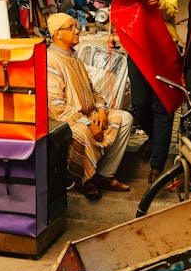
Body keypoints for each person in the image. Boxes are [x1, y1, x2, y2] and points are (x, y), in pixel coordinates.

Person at [46, 13, 133, 201]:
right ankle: (85, 181)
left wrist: (101, 109)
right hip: (68, 119)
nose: (77, 31)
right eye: (70, 28)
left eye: (75, 26)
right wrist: (88, 123)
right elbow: (56, 107)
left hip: (89, 113)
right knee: (82, 133)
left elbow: (92, 90)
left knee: (125, 118)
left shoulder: (74, 56)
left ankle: (104, 174)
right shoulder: (51, 60)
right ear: (57, 34)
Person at [121, 0, 179, 184]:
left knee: (162, 105)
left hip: (162, 47)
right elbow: (121, 10)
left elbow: (173, 11)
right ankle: (156, 139)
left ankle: (157, 163)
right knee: (139, 103)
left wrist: (160, 2)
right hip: (137, 48)